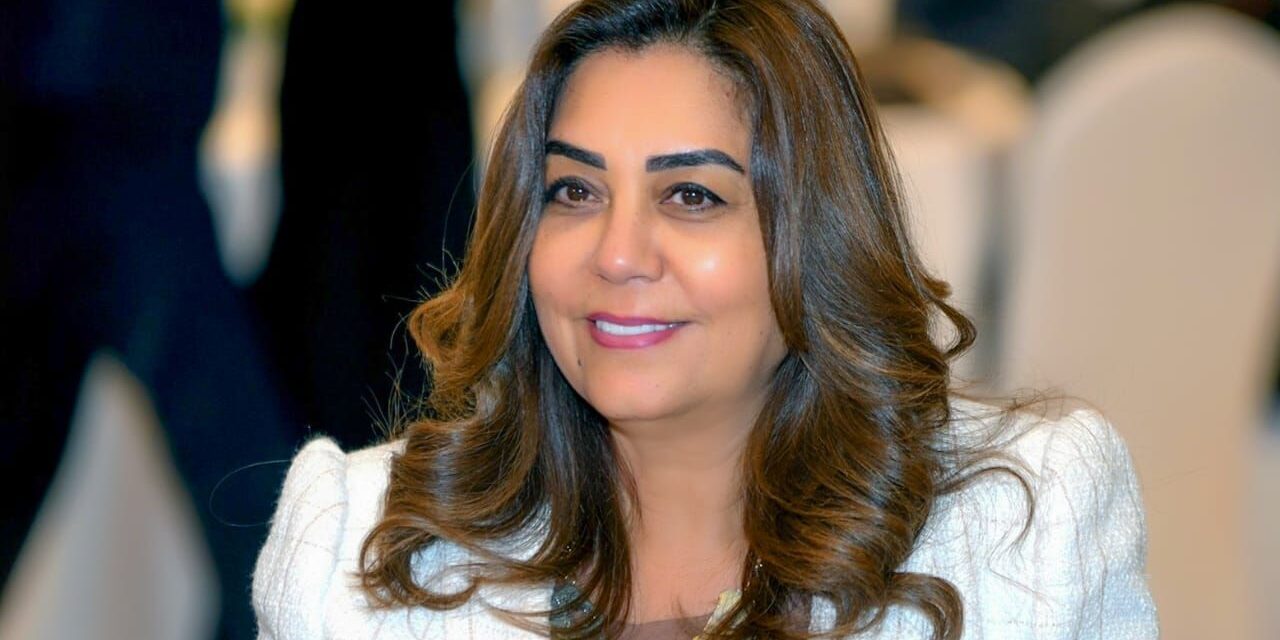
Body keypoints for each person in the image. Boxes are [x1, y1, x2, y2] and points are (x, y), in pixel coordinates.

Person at [251, 1, 1157, 638]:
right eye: (574, 191)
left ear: (813, 236)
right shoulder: (358, 554)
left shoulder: (1018, 534)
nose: (617, 254)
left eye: (691, 195)